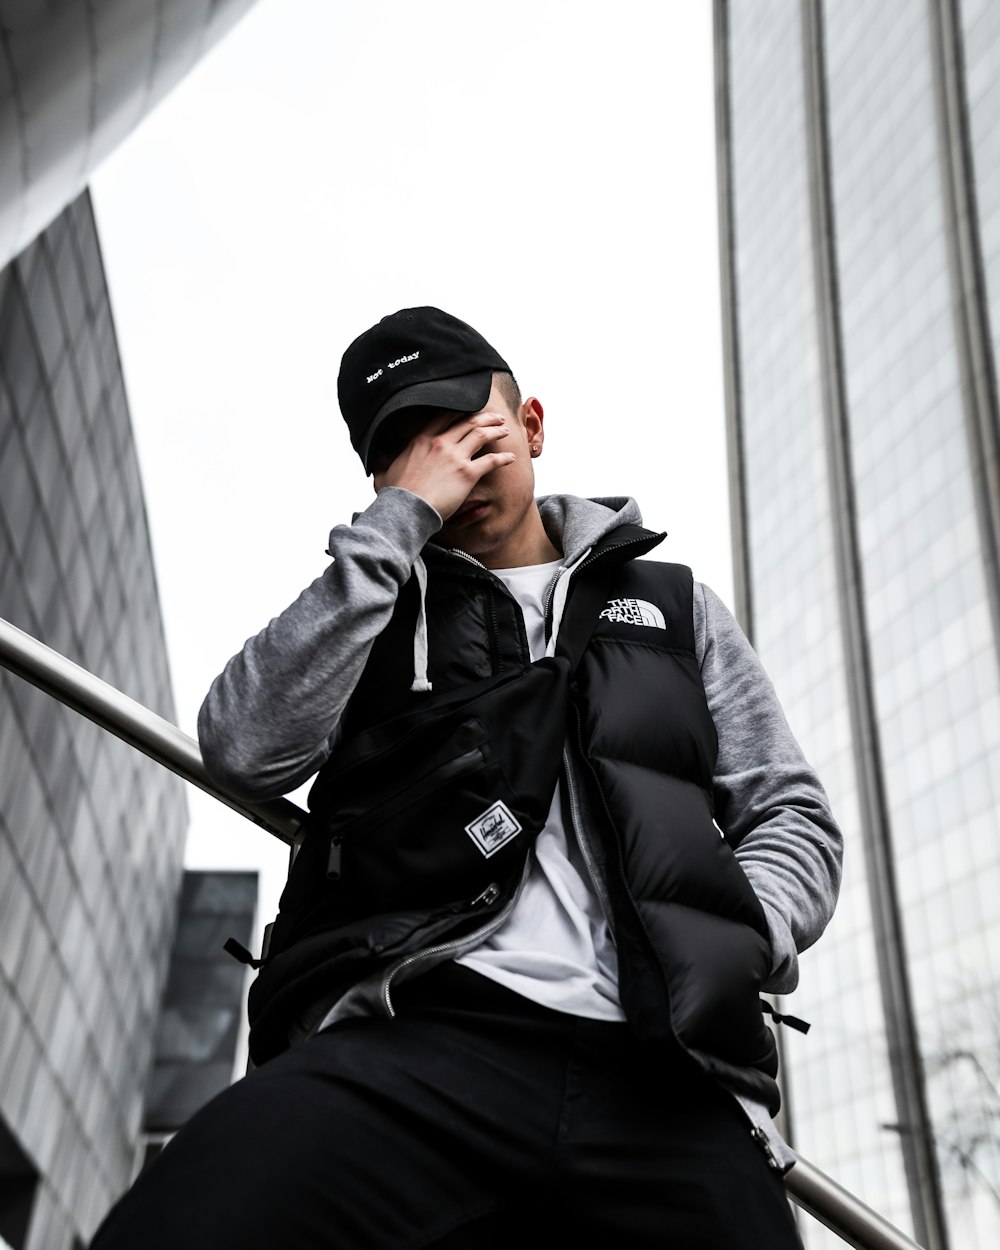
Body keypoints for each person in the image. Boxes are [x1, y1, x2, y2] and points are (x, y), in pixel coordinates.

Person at [91, 306, 842, 1249]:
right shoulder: (370, 603)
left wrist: (738, 936)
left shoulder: (673, 605)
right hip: (417, 1029)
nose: (453, 461)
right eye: (410, 446)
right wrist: (394, 526)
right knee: (182, 1222)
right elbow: (244, 744)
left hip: (665, 1069)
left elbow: (790, 812)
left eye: (468, 427)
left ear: (530, 425)